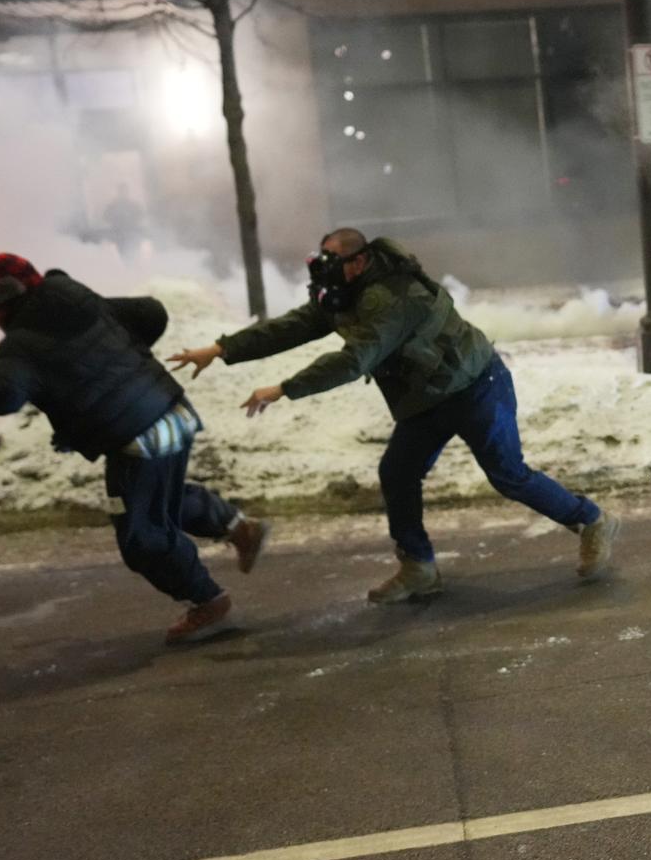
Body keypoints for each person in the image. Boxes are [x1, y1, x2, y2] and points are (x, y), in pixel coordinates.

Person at [169, 228, 619, 602]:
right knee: (397, 473)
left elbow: (354, 360)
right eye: (320, 259)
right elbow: (291, 327)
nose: (324, 268)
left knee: (507, 475)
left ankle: (591, 520)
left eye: (333, 259)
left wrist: (285, 389)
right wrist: (221, 349)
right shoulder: (345, 294)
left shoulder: (390, 297)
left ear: (360, 261)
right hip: (425, 400)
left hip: (475, 387)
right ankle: (419, 567)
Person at [0, 254, 270, 644]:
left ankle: (209, 602)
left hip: (137, 437)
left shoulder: (21, 346)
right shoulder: (80, 300)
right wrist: (119, 359)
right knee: (159, 500)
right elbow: (151, 313)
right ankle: (239, 528)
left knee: (142, 537)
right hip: (173, 410)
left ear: (7, 300)